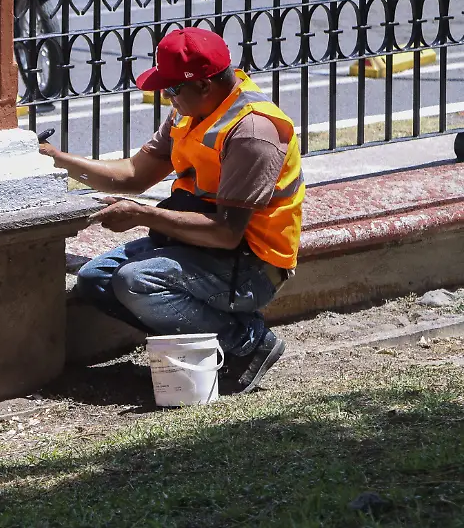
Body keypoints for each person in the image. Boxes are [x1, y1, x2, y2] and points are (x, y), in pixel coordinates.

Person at [39, 27, 303, 394]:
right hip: (202, 247)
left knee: (136, 281)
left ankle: (247, 342)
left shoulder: (252, 132)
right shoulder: (189, 112)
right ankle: (205, 344)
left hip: (250, 266)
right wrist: (57, 160)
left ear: (206, 85)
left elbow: (226, 234)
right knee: (95, 279)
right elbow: (132, 176)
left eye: (173, 89)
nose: (167, 98)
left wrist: (144, 215)